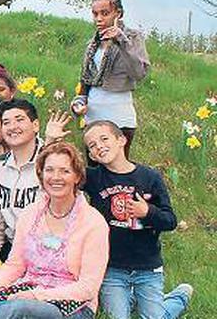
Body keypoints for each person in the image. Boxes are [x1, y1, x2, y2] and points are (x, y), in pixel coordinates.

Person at [0, 142, 109, 319]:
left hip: (72, 303)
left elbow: (88, 288)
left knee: (17, 310)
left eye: (65, 171)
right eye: (49, 170)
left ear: (77, 177)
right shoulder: (31, 213)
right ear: (41, 174)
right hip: (26, 289)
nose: (56, 177)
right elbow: (15, 264)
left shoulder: (93, 223)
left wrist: (35, 297)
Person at [82, 121, 193, 319]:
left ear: (122, 140)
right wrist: (51, 140)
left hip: (148, 267)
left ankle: (179, 297)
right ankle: (129, 300)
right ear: (91, 155)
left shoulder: (150, 177)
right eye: (92, 145)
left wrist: (148, 212)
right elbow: (60, 170)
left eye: (104, 139)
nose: (99, 146)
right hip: (112, 268)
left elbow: (170, 220)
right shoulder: (93, 178)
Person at [71, 0, 150, 158]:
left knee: (118, 172)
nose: (99, 19)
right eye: (95, 14)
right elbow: (85, 83)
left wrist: (120, 41)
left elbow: (139, 73)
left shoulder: (132, 37)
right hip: (93, 118)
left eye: (105, 13)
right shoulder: (92, 45)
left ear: (118, 13)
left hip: (120, 119)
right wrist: (78, 104)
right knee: (94, 173)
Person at [0, 98, 45, 261]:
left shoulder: (51, 162)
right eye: (6, 122)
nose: (12, 127)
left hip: (49, 252)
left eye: (19, 120)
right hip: (12, 250)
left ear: (35, 125)